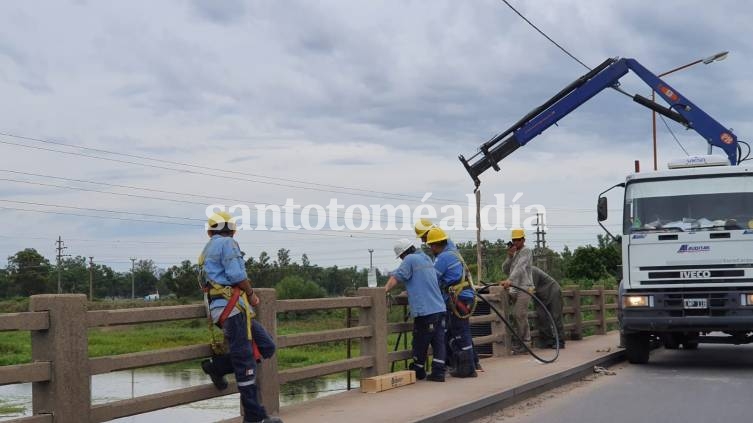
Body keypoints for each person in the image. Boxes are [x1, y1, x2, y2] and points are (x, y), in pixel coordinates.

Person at [198, 211, 283, 423]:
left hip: (226, 309)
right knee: (244, 361)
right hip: (232, 308)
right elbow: (237, 275)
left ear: (209, 232)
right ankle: (255, 418)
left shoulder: (206, 249)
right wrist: (252, 294)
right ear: (233, 231)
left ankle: (216, 367)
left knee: (266, 346)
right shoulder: (228, 243)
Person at [384, 238, 447, 382]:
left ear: (403, 253)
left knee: (420, 339)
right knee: (438, 341)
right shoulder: (426, 258)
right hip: (439, 307)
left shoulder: (409, 259)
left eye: (400, 256)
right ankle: (438, 372)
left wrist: (385, 289)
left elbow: (398, 276)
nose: (401, 259)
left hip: (425, 310)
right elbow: (421, 280)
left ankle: (418, 369)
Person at [426, 227, 478, 378]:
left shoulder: (443, 258)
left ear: (435, 245)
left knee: (459, 333)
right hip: (465, 296)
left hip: (458, 298)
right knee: (461, 331)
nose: (431, 249)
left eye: (431, 246)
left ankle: (467, 369)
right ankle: (467, 366)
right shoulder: (454, 253)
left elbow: (432, 279)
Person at [499, 228, 533, 354]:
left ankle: (525, 343)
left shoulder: (526, 251)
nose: (516, 242)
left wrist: (509, 280)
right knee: (518, 315)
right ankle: (523, 342)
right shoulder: (514, 253)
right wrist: (509, 256)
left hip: (524, 286)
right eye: (514, 240)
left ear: (523, 240)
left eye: (518, 240)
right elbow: (504, 269)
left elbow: (520, 267)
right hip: (514, 288)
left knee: (519, 314)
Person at [531, 266, 566, 349]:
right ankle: (547, 341)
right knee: (541, 317)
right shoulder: (520, 274)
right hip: (540, 296)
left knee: (555, 317)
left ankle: (560, 341)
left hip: (553, 291)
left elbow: (531, 288)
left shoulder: (532, 271)